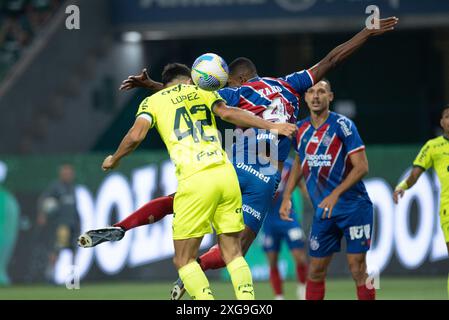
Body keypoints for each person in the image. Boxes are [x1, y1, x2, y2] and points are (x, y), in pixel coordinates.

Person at [78, 16, 398, 300]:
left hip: (232, 166)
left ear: (238, 80)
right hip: (264, 176)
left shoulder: (236, 93)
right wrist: (365, 34)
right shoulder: (290, 84)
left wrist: (153, 87)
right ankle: (198, 271)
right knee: (236, 252)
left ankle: (123, 228)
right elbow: (331, 59)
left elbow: (185, 100)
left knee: (180, 199)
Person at [96, 62, 297, 300]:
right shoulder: (202, 92)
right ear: (190, 80)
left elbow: (136, 135)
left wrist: (114, 158)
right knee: (233, 253)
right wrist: (273, 126)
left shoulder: (152, 102)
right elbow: (230, 113)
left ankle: (202, 300)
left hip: (196, 178)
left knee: (183, 259)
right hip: (226, 174)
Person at [280, 79, 375, 300]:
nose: (315, 96)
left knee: (358, 268)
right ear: (304, 98)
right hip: (324, 212)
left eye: (321, 92)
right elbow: (298, 161)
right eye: (311, 92)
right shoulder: (300, 129)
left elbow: (362, 167)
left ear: (330, 97)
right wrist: (286, 196)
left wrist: (335, 194)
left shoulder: (343, 125)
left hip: (354, 207)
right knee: (315, 270)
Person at [393, 105, 449, 298]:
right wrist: (402, 186)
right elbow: (416, 174)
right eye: (448, 117)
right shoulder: (433, 146)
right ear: (441, 122)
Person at [262, 158, 308, 300]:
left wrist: (315, 202)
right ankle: (279, 296)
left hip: (289, 219)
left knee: (300, 257)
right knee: (272, 260)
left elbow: (302, 186)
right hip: (270, 221)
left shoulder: (289, 165)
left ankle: (302, 289)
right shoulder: (259, 166)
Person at [37, 164, 79, 282]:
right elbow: (44, 200)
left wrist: (78, 221)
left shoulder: (72, 188)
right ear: (61, 174)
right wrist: (42, 214)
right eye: (66, 173)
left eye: (70, 173)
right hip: (61, 224)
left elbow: (75, 207)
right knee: (57, 249)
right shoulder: (55, 187)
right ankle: (50, 275)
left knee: (74, 250)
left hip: (73, 224)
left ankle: (73, 278)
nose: (68, 175)